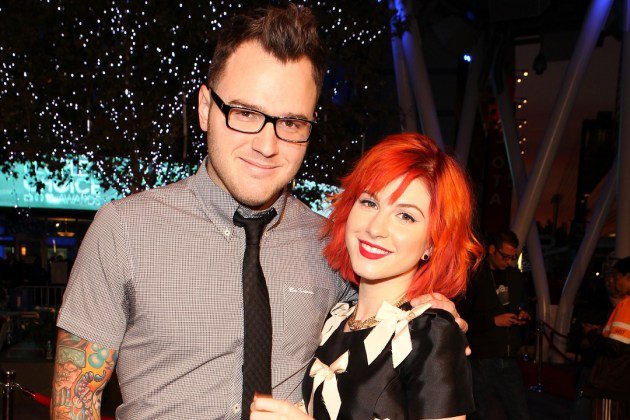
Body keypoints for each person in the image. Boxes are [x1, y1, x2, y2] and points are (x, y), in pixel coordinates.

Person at [51, 4, 464, 420]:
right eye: (245, 113)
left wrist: (433, 323)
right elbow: (75, 403)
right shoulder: (124, 230)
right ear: (205, 108)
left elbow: (388, 323)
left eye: (291, 123)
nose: (267, 146)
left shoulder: (332, 245)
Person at [250, 133, 483, 419]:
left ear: (432, 243)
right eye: (370, 203)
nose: (375, 228)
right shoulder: (335, 319)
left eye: (406, 216)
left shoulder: (431, 334)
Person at [457, 230, 531, 420]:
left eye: (512, 257)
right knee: (477, 412)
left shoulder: (515, 276)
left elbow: (523, 303)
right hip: (482, 356)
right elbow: (461, 318)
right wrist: (493, 321)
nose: (508, 261)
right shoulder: (474, 277)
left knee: (520, 411)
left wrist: (523, 313)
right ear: (492, 250)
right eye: (505, 256)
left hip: (509, 354)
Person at [582, 256, 630, 419]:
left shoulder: (626, 305)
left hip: (613, 383)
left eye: (617, 278)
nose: (615, 284)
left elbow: (614, 347)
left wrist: (591, 335)